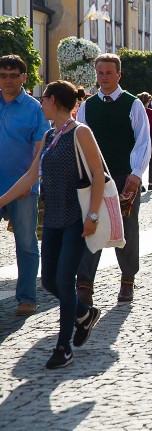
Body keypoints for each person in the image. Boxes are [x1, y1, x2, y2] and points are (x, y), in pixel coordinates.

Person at [0, 81, 103, 368]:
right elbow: (31, 176)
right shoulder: (49, 135)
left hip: (76, 218)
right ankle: (85, 314)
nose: (39, 101)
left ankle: (63, 345)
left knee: (64, 280)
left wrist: (92, 216)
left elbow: (97, 174)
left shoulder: (80, 132)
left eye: (43, 97)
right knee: (48, 281)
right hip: (54, 218)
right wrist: (1, 200)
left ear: (54, 100)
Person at [75, 53, 151, 305]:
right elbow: (80, 141)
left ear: (119, 75)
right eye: (100, 73)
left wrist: (136, 174)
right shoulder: (88, 106)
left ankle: (127, 280)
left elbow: (143, 141)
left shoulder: (133, 104)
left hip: (123, 175)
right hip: (94, 178)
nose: (104, 77)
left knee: (127, 228)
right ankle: (85, 283)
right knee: (89, 226)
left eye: (109, 73)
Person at [0, 55, 50, 316]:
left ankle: (27, 298)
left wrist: (30, 183)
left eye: (13, 75)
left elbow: (41, 150)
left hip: (22, 188)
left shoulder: (34, 108)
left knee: (26, 244)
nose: (7, 80)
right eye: (3, 75)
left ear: (24, 77)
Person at [137, 93, 152, 191]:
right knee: (151, 161)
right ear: (148, 101)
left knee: (138, 162)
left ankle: (140, 184)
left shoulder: (137, 112)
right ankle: (151, 183)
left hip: (138, 139)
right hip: (150, 139)